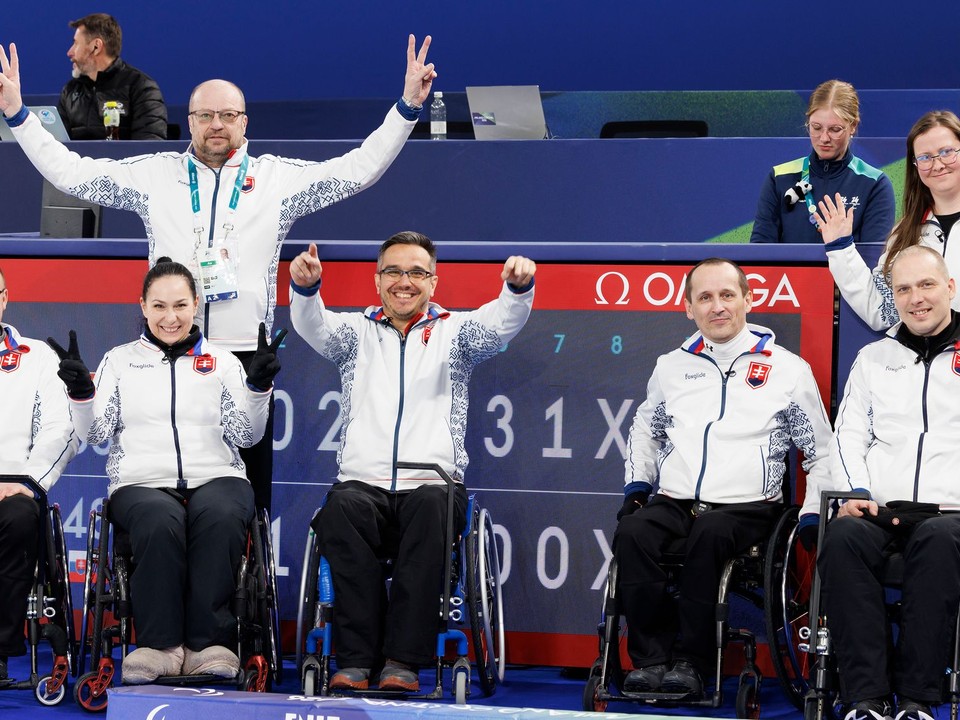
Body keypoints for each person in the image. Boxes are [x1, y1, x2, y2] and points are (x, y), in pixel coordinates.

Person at [0, 35, 436, 513]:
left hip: (247, 359)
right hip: (165, 352)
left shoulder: (277, 180)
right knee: (160, 491)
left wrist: (407, 108)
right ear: (188, 122)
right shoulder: (154, 175)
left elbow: (358, 171)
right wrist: (19, 115)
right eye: (205, 116)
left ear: (244, 122)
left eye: (228, 115)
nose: (216, 125)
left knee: (244, 504)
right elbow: (72, 174)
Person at [289, 232, 535, 692]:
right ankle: (357, 660)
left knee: (433, 507)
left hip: (433, 482)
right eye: (395, 271)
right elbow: (314, 326)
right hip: (363, 482)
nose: (405, 281)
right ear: (377, 279)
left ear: (434, 282)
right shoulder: (355, 334)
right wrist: (306, 290)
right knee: (341, 508)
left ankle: (402, 661)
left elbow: (500, 323)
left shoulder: (454, 334)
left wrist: (516, 290)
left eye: (417, 272)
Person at [46, 258, 285, 684]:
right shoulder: (119, 361)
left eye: (179, 305)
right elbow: (97, 432)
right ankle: (160, 646)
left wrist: (257, 389)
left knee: (221, 514)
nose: (170, 317)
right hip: (141, 481)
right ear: (142, 306)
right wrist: (81, 394)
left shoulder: (224, 361)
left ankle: (209, 643)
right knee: (159, 519)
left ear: (196, 304)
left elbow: (247, 436)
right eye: (158, 306)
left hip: (218, 476)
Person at [614, 257, 832, 697]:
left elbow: (822, 450)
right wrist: (639, 486)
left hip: (748, 508)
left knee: (711, 534)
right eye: (705, 297)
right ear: (688, 308)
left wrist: (812, 513)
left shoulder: (787, 369)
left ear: (748, 300)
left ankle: (693, 663)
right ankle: (652, 660)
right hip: (677, 501)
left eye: (727, 295)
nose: (717, 307)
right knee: (634, 531)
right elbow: (644, 428)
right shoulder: (670, 367)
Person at [819, 245, 960, 720]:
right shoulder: (873, 358)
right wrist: (856, 492)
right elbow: (848, 434)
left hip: (951, 513)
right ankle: (866, 697)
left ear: (949, 288)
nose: (915, 298)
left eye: (926, 285)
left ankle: (918, 699)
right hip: (880, 507)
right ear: (894, 298)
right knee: (841, 538)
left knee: (940, 540)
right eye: (903, 289)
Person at [0, 266, 77, 681]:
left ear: (5, 298)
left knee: (16, 522)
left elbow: (62, 427)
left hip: (16, 486)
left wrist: (28, 482)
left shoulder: (38, 357)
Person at [819, 110, 960, 331]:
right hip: (920, 360)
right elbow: (881, 311)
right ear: (915, 166)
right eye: (925, 157)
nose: (938, 164)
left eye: (947, 152)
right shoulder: (904, 235)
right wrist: (840, 248)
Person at [750, 79, 894, 245]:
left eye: (835, 130)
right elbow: (760, 249)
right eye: (816, 128)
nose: (824, 138)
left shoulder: (874, 184)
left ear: (853, 126)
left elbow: (874, 258)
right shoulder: (779, 177)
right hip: (789, 272)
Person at [58, 13, 167, 140]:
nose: (70, 52)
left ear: (96, 47)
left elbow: (150, 147)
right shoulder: (70, 91)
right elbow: (57, 148)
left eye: (76, 44)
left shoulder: (142, 88)